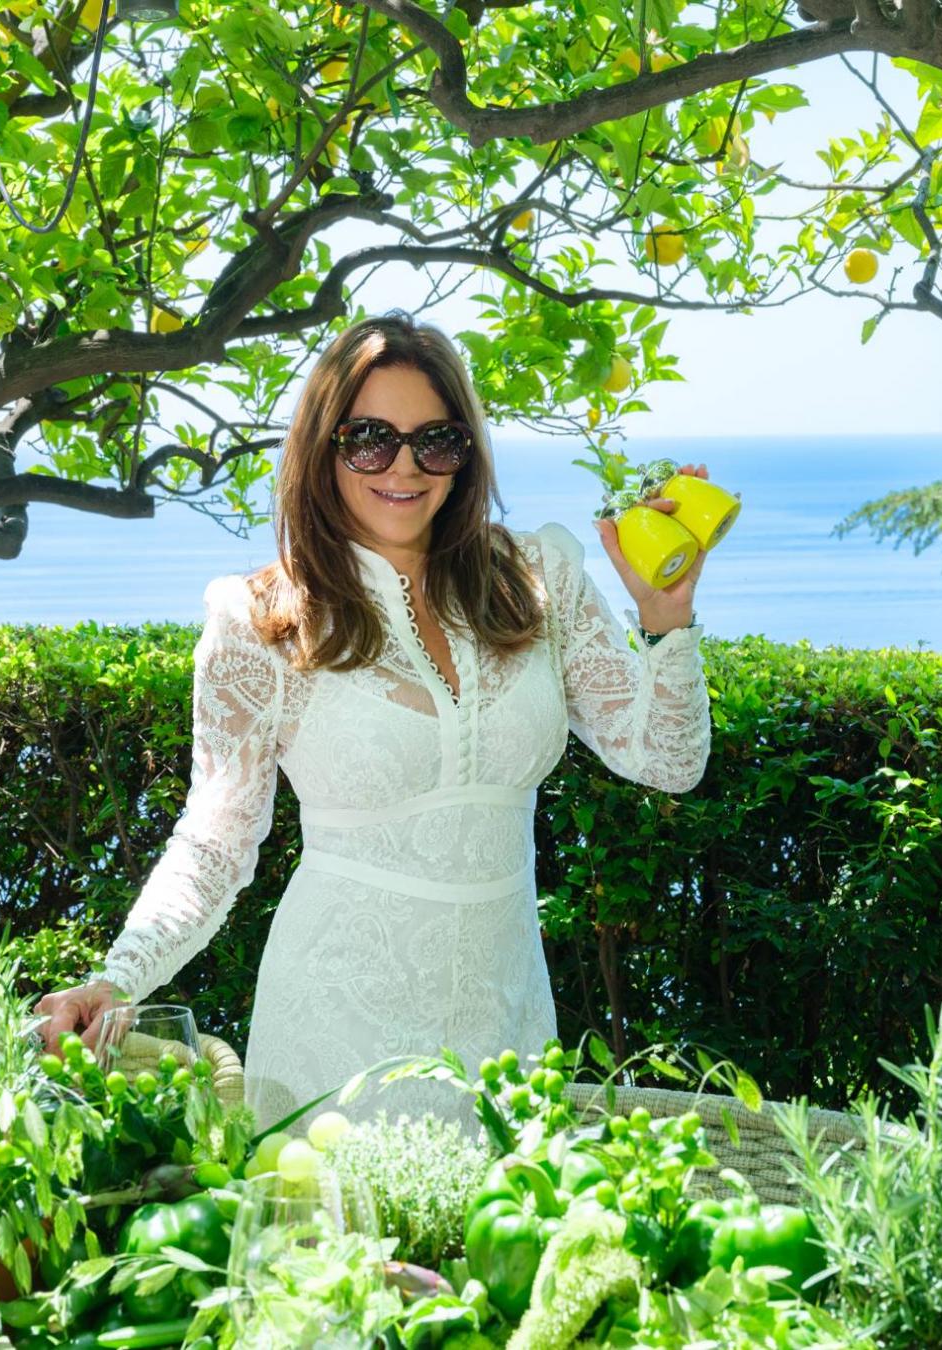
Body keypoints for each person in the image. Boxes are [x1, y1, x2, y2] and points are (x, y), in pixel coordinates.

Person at [35, 312, 712, 1130]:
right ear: (323, 447)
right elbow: (215, 841)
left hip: (506, 1032)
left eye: (436, 441)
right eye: (369, 439)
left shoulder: (536, 579)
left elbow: (667, 760)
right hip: (333, 1035)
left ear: (465, 454)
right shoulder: (258, 619)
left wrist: (665, 618)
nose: (404, 467)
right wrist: (117, 979)